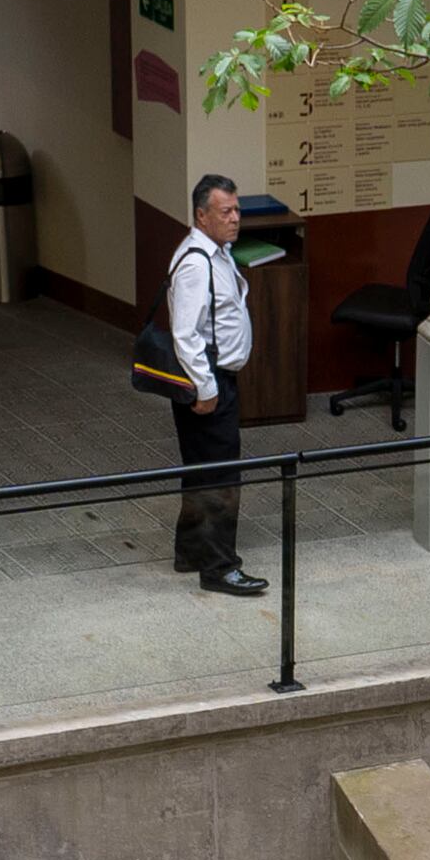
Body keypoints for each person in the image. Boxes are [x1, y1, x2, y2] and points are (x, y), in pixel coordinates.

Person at [166, 173, 266, 598]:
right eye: (225, 211)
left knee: (201, 472)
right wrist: (207, 390)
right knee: (221, 477)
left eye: (237, 210)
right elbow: (185, 334)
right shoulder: (195, 263)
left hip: (217, 378)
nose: (235, 218)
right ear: (201, 215)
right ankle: (220, 567)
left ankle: (191, 552)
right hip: (209, 383)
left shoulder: (218, 253)